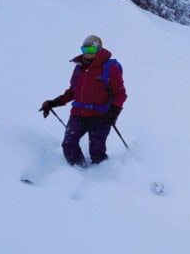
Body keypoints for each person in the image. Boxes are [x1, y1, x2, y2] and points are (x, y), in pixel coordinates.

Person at [40, 35, 126, 167]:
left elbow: (120, 94)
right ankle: (79, 170)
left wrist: (114, 112)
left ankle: (103, 177)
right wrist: (53, 102)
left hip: (101, 116)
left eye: (91, 50)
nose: (87, 54)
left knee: (97, 152)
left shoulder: (110, 67)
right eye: (84, 50)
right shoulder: (79, 68)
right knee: (68, 144)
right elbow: (73, 92)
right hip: (78, 114)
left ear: (98, 49)